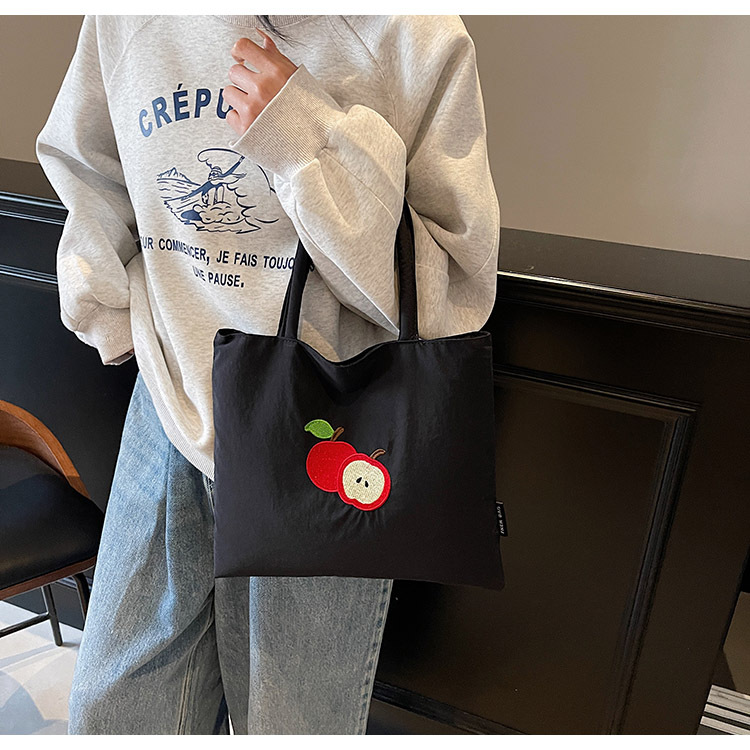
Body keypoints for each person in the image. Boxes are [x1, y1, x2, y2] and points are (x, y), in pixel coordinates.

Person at [35, 13, 501, 735]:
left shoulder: (412, 34)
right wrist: (108, 313)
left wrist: (304, 135)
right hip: (170, 402)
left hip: (325, 429)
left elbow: (451, 292)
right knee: (116, 713)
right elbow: (89, 165)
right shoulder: (128, 18)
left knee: (294, 723)